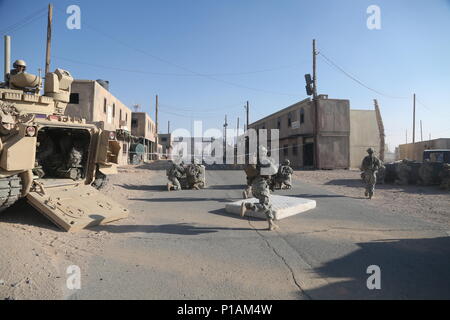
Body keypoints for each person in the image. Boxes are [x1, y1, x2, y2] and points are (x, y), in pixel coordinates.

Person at [240, 146, 279, 231]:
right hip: (262, 185)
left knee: (268, 205)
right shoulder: (264, 160)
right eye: (265, 152)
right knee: (265, 205)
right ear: (264, 152)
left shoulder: (254, 162)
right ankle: (248, 206)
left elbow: (249, 178)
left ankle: (271, 224)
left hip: (255, 186)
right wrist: (272, 163)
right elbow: (275, 170)